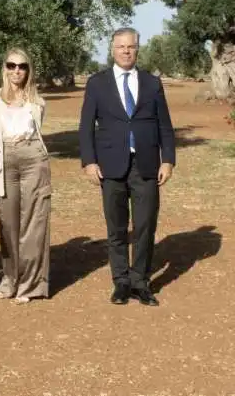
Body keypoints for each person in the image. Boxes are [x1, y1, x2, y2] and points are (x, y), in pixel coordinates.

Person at [79, 27, 176, 306]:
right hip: (110, 165)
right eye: (120, 47)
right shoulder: (97, 83)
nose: (126, 51)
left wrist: (167, 159)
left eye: (130, 46)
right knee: (116, 226)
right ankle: (121, 281)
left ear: (137, 49)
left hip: (146, 164)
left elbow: (165, 126)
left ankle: (141, 282)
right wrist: (89, 161)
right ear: (112, 50)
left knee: (145, 225)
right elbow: (86, 127)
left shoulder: (152, 82)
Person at [0, 48, 51, 304]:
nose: (16, 71)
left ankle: (31, 285)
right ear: (4, 68)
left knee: (34, 224)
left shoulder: (37, 101)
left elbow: (38, 131)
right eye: (11, 65)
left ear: (28, 70)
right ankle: (10, 279)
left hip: (34, 160)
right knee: (8, 224)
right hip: (4, 163)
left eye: (22, 66)